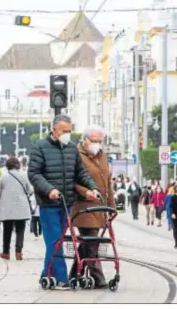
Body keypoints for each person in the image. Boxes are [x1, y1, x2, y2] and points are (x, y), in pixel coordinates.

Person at [28, 114, 99, 289]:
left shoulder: (71, 148)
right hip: (48, 203)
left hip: (67, 203)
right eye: (64, 131)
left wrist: (92, 187)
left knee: (58, 240)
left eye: (69, 131)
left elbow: (80, 173)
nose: (67, 134)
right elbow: (34, 174)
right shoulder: (40, 147)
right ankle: (61, 278)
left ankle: (47, 274)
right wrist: (49, 189)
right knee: (55, 241)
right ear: (54, 130)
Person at [69, 124, 115, 289]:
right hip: (84, 206)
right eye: (94, 140)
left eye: (100, 141)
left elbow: (107, 183)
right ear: (85, 140)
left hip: (101, 207)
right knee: (92, 241)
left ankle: (74, 274)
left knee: (87, 242)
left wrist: (112, 207)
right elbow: (71, 180)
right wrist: (85, 192)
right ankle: (98, 278)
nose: (97, 144)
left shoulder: (102, 155)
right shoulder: (76, 154)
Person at [0, 157, 32, 261]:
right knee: (20, 230)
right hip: (21, 207)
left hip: (7, 208)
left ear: (7, 165)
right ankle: (18, 252)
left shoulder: (4, 176)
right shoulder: (24, 175)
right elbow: (30, 190)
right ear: (17, 165)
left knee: (7, 230)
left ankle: (6, 252)